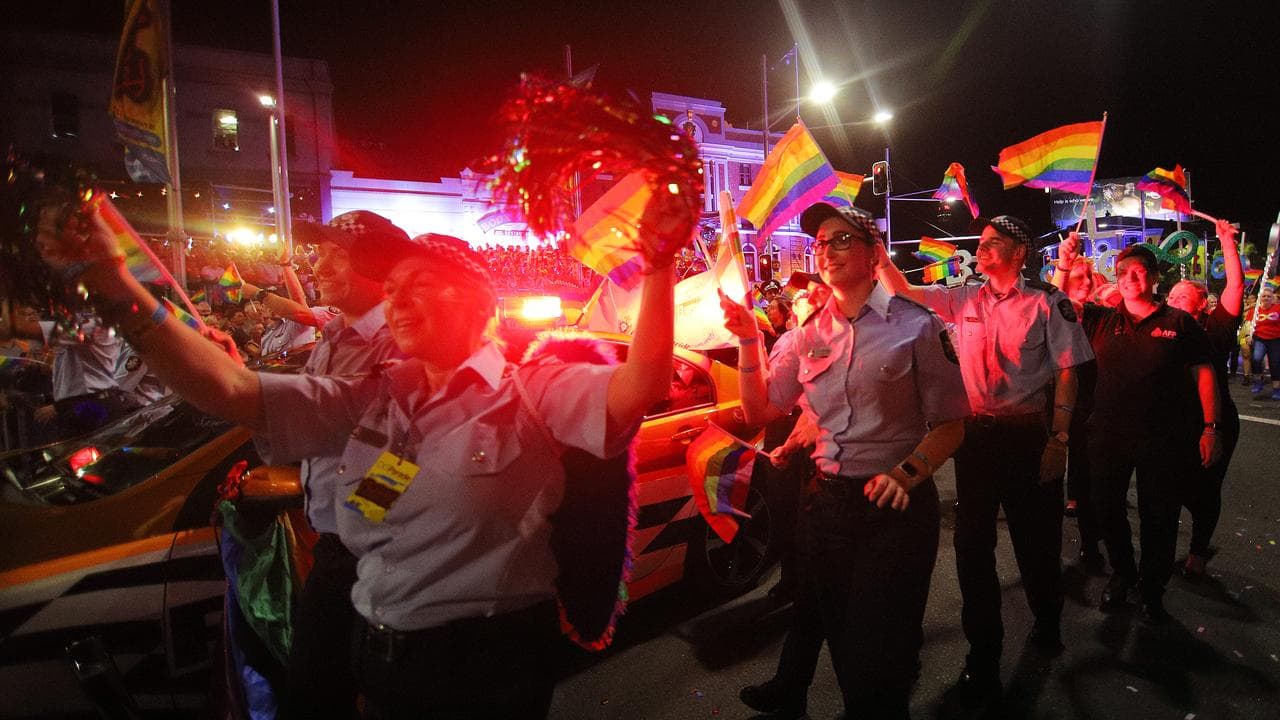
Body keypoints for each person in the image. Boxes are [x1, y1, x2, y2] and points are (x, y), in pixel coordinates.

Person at [37, 189, 683, 719]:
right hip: (380, 652)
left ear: (480, 303)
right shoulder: (375, 397)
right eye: (393, 287)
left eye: (420, 285)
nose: (398, 301)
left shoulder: (531, 393)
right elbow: (230, 390)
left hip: (484, 669)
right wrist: (114, 280)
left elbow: (638, 388)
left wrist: (658, 265)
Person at [724, 204, 968, 720]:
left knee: (881, 654)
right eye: (819, 242)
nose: (825, 250)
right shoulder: (806, 333)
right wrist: (748, 339)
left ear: (873, 254)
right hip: (826, 508)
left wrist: (908, 472)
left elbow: (951, 424)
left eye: (840, 240)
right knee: (843, 647)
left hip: (894, 513)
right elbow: (759, 409)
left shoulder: (918, 326)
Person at [878, 215, 1094, 718]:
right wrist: (880, 253)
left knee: (1035, 544)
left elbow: (1067, 374)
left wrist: (1059, 438)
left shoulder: (1045, 302)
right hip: (975, 439)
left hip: (1027, 437)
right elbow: (906, 291)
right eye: (981, 242)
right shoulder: (964, 296)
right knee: (972, 548)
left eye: (993, 243)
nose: (982, 249)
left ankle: (1047, 616)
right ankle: (984, 656)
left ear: (1019, 253)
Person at [1075, 244, 1221, 624]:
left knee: (1159, 516)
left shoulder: (1179, 323)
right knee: (1106, 509)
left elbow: (1204, 374)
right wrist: (1063, 265)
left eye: (1139, 271)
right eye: (1122, 272)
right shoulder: (1102, 319)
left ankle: (1152, 589)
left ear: (1155, 278)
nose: (1129, 278)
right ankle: (1124, 573)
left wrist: (1210, 428)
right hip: (1107, 436)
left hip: (1163, 439)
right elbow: (1060, 306)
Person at [1164, 220, 1244, 577]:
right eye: (1171, 295)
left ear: (1203, 303)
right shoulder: (1160, 328)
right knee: (1167, 488)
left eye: (1184, 295)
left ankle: (1197, 551)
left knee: (1206, 490)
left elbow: (1236, 286)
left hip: (1214, 421)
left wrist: (1227, 243)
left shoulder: (1215, 328)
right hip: (1171, 424)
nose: (1175, 299)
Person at [1049, 247, 1104, 566]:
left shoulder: (1099, 315)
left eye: (1089, 277)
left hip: (1088, 409)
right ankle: (1046, 547)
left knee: (1085, 476)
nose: (1086, 282)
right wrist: (1064, 263)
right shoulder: (1054, 315)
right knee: (1051, 475)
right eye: (1079, 277)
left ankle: (1091, 543)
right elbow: (1054, 300)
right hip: (1054, 406)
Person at [1249, 287, 1280, 399]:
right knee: (1256, 359)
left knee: (1275, 363)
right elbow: (1248, 325)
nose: (1266, 298)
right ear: (1260, 298)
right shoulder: (1254, 311)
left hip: (1276, 339)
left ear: (1272, 298)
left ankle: (1277, 389)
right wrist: (1249, 336)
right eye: (1264, 296)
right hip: (1260, 339)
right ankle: (1258, 382)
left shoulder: (1278, 308)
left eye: (1269, 296)